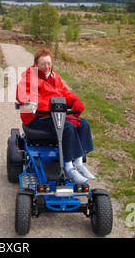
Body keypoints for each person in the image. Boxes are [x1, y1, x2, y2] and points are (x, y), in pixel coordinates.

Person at [16, 48, 95, 184]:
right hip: (37, 118)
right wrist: (56, 108)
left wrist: (75, 100)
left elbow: (64, 93)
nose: (47, 67)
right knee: (68, 126)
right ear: (35, 64)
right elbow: (32, 101)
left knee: (83, 123)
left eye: (49, 63)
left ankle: (79, 162)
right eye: (43, 64)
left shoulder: (54, 77)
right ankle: (69, 167)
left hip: (56, 114)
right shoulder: (28, 80)